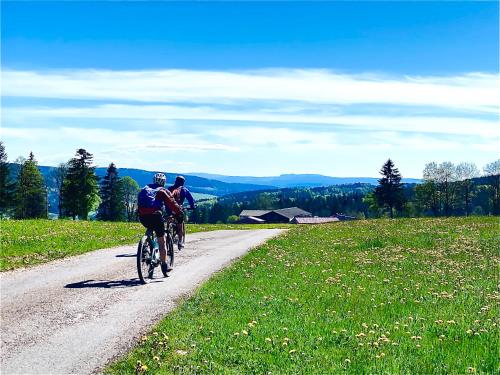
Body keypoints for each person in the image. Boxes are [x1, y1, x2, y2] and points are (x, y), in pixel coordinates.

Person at [137, 173, 183, 275]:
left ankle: (146, 246)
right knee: (162, 241)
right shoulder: (163, 190)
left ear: (154, 180)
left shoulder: (145, 188)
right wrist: (179, 213)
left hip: (142, 216)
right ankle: (164, 265)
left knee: (150, 227)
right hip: (156, 216)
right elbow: (171, 203)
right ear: (163, 182)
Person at [168, 175, 196, 250]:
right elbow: (190, 200)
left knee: (168, 219)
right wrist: (192, 206)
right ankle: (180, 242)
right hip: (178, 209)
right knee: (180, 225)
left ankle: (167, 232)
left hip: (169, 209)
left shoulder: (169, 188)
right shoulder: (184, 190)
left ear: (175, 181)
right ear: (183, 182)